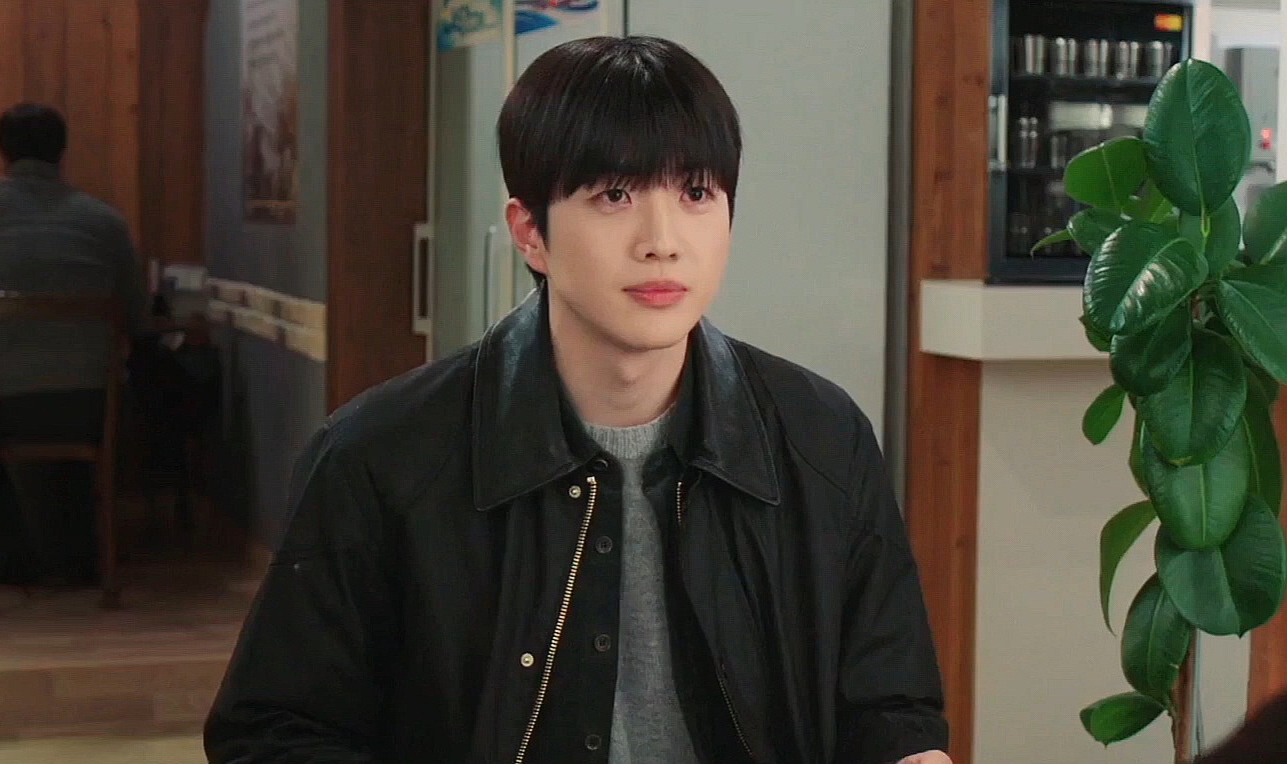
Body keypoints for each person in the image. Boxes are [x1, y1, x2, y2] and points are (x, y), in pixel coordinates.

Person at [205, 36, 950, 764]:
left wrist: (908, 751)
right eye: (614, 195)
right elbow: (272, 732)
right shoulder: (378, 457)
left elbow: (889, 706)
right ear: (530, 232)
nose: (662, 241)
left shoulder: (821, 437)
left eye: (695, 193)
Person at [0, 103, 146, 585]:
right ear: (62, 152)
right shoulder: (105, 221)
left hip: (3, 405)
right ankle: (87, 547)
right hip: (95, 405)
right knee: (128, 408)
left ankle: (0, 546)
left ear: (3, 153)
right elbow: (135, 314)